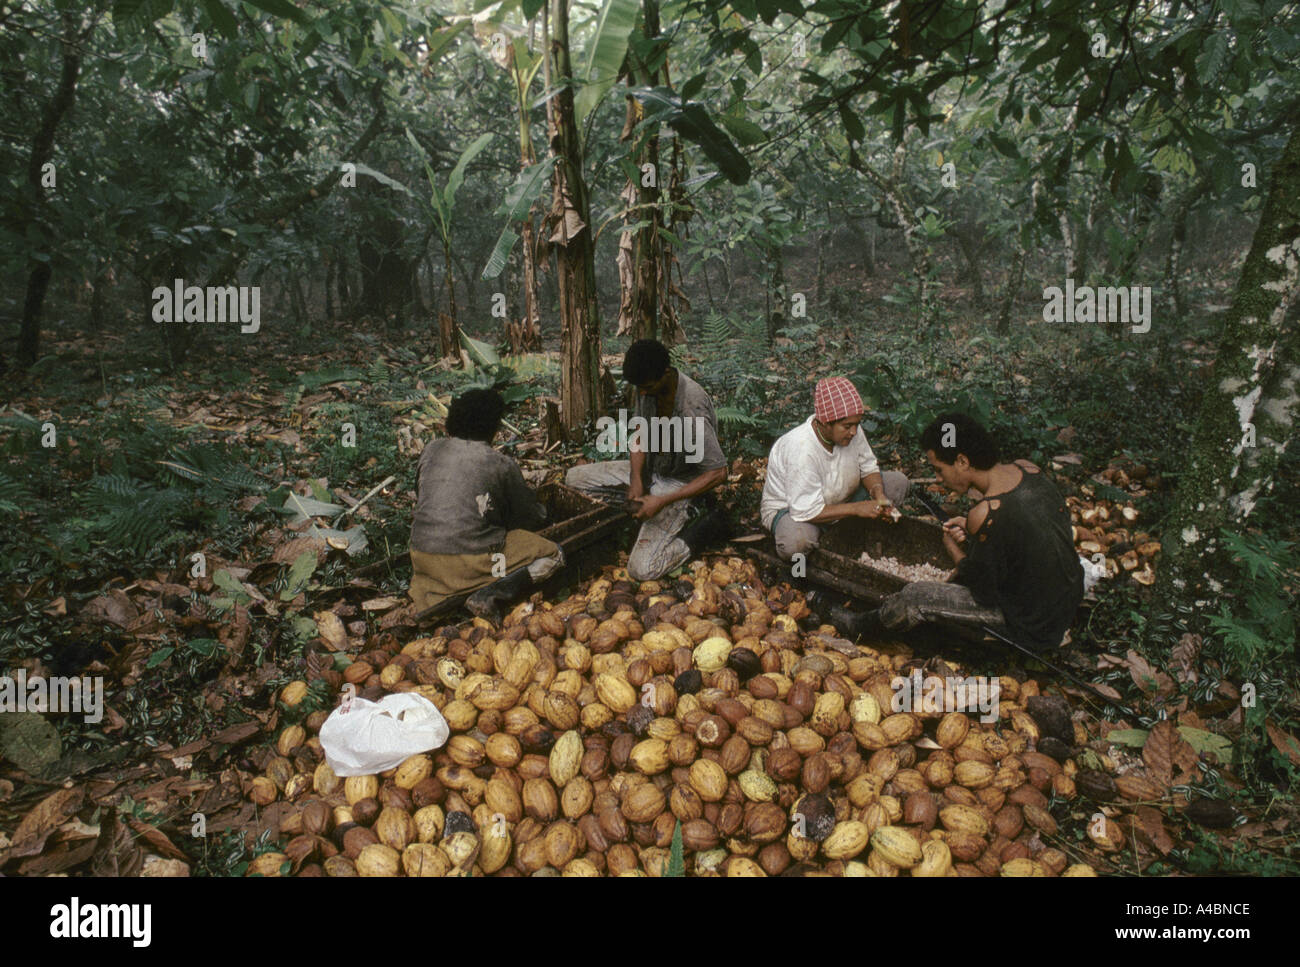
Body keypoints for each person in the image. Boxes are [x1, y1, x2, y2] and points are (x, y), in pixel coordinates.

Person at [818, 413, 1084, 652]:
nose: (937, 479)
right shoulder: (1028, 469)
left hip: (1034, 625)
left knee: (917, 596)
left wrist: (953, 547)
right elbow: (1019, 540)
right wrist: (973, 532)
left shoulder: (987, 512)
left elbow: (983, 592)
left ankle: (857, 625)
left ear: (962, 461)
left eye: (939, 470)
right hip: (1067, 599)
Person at [565, 339, 729, 581]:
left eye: (646, 386)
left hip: (681, 482)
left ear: (665, 373)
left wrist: (662, 501)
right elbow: (640, 435)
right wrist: (635, 479)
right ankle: (634, 519)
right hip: (654, 468)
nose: (642, 392)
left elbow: (718, 472)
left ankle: (705, 527)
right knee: (574, 479)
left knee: (643, 569)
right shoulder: (648, 386)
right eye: (639, 387)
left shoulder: (690, 408)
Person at [408, 388, 564, 623]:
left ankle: (449, 588)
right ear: (492, 427)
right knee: (554, 554)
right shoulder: (500, 463)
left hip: (421, 558)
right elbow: (528, 519)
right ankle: (491, 594)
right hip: (469, 562)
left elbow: (423, 496)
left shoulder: (432, 449)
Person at [761, 376, 909, 561]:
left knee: (897, 483)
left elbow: (868, 467)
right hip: (795, 512)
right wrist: (857, 509)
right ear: (825, 423)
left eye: (856, 424)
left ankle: (849, 534)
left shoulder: (852, 430)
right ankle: (825, 540)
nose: (854, 432)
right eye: (847, 426)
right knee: (796, 543)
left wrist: (878, 494)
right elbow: (805, 510)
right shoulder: (801, 449)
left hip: (842, 499)